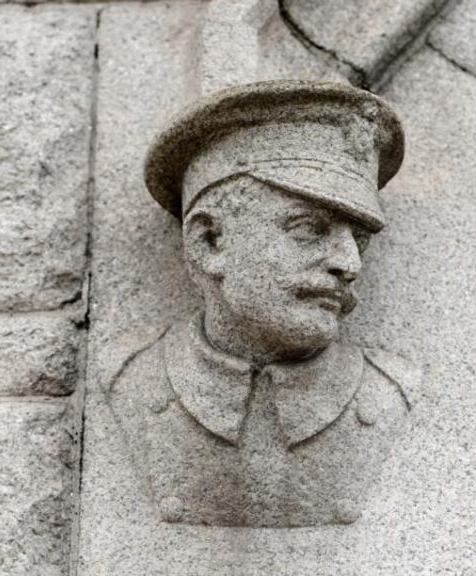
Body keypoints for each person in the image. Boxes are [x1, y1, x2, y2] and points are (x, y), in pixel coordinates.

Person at [108, 80, 419, 527]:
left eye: (359, 239)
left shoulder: (390, 393)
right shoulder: (128, 378)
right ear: (210, 242)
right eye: (308, 229)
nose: (349, 263)